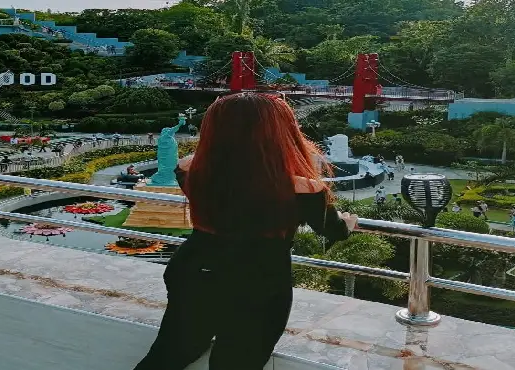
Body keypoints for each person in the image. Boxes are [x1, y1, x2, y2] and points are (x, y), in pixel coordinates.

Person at [134, 92, 357, 370]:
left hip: (194, 270)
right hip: (257, 282)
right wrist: (347, 222)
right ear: (280, 131)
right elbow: (333, 230)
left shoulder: (190, 168)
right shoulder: (301, 187)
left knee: (168, 355)